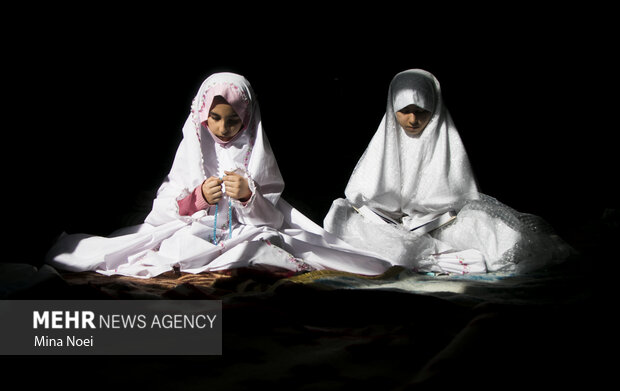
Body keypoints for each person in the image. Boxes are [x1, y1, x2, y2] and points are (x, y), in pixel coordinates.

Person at [46, 72, 390, 278]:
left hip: (246, 230)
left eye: (234, 120)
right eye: (216, 119)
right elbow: (163, 209)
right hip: (195, 228)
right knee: (174, 248)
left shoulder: (256, 149)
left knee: (265, 247)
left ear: (248, 119)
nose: (224, 129)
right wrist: (195, 199)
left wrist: (248, 196)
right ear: (202, 116)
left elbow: (274, 214)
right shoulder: (194, 146)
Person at [324, 69, 571, 275]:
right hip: (389, 224)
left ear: (435, 107)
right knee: (346, 218)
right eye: (405, 111)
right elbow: (364, 194)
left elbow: (457, 196)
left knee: (488, 228)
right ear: (392, 108)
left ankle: (433, 254)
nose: (412, 120)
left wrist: (428, 215)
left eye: (421, 111)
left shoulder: (445, 140)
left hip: (440, 223)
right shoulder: (384, 143)